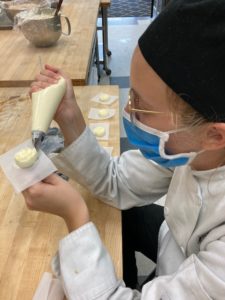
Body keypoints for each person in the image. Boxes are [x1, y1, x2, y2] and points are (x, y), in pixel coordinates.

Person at [23, 0, 225, 299]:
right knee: (124, 216)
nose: (128, 109)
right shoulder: (189, 147)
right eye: (132, 93)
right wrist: (69, 117)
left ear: (215, 136)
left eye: (142, 105)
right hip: (177, 246)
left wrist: (76, 216)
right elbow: (116, 182)